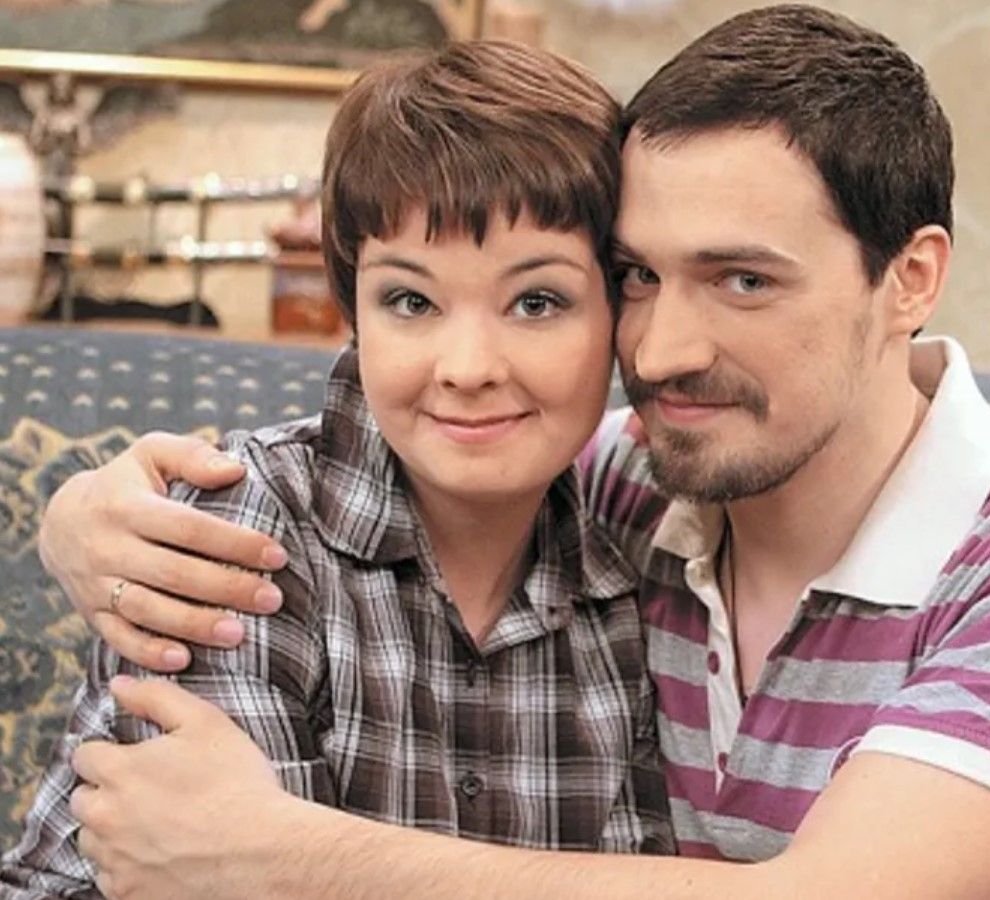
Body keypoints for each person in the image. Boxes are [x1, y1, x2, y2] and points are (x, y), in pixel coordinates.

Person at [32, 6, 990, 898]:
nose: (663, 348)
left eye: (742, 280)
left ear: (910, 277)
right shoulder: (619, 490)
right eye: (641, 277)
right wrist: (84, 513)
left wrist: (281, 855)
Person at [1, 40, 674, 898]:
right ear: (354, 309)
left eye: (536, 302)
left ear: (619, 314)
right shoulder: (244, 530)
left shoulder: (625, 585)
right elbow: (215, 882)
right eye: (411, 301)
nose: (468, 367)